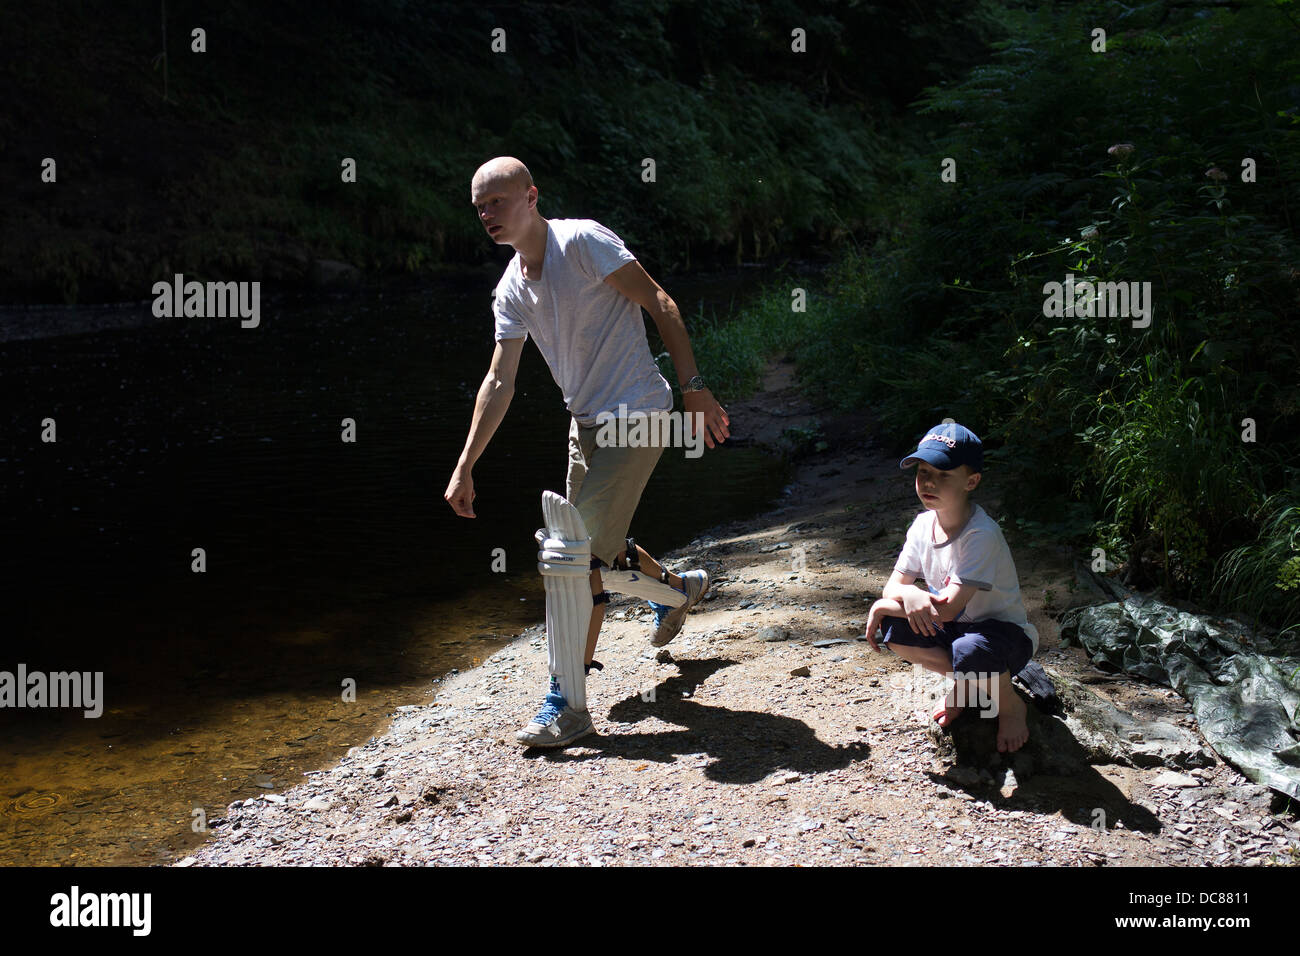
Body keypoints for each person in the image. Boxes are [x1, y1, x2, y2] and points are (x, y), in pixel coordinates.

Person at [444, 157, 730, 747]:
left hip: (640, 415)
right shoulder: (511, 287)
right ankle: (681, 589)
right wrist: (466, 462)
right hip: (585, 426)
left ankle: (566, 704)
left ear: (531, 196)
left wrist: (695, 389)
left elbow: (660, 301)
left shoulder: (582, 242)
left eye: (497, 201)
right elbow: (499, 382)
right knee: (594, 547)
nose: (488, 215)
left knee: (575, 560)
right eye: (479, 208)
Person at [863, 422, 1037, 752]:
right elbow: (894, 588)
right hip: (956, 630)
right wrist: (909, 594)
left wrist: (888, 603)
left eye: (944, 474)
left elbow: (947, 609)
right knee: (893, 629)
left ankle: (1011, 706)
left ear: (971, 481)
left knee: (968, 650)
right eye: (923, 471)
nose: (929, 481)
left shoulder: (981, 534)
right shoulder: (921, 525)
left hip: (1004, 637)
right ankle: (969, 683)